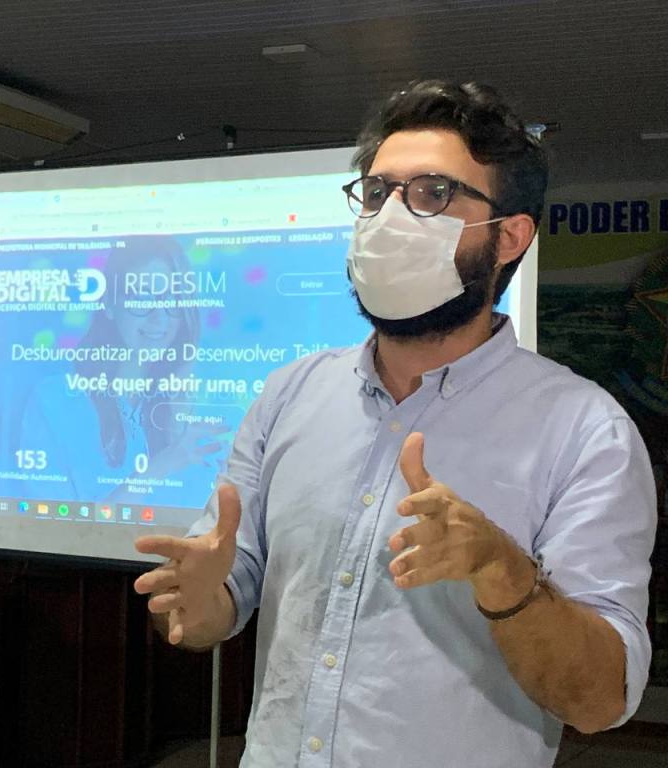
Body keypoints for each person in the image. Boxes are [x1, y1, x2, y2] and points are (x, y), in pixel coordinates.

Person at [133, 80, 656, 768]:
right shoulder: (291, 394)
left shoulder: (586, 431)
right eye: (377, 193)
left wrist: (502, 571)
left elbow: (599, 700)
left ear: (509, 236)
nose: (389, 217)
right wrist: (197, 604)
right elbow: (213, 606)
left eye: (433, 193)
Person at [17, 237, 227, 506]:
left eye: (172, 299)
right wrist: (164, 464)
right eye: (141, 297)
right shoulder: (56, 400)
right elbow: (52, 524)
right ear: (109, 303)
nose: (159, 318)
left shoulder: (201, 405)